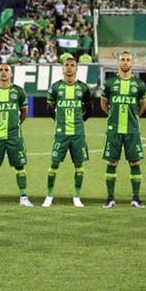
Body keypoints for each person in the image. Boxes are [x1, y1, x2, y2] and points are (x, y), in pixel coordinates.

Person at [42, 56, 92, 208]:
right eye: (67, 65)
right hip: (61, 134)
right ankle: (49, 196)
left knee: (79, 165)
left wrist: (79, 123)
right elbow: (50, 108)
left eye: (72, 65)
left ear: (76, 69)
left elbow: (89, 109)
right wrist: (59, 122)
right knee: (54, 164)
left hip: (78, 134)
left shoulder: (83, 88)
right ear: (62, 69)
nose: (69, 67)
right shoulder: (56, 87)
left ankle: (76, 197)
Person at [0, 63, 33, 207]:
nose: (3, 73)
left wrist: (15, 125)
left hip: (14, 136)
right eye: (1, 70)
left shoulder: (19, 91)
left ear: (11, 74)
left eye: (6, 70)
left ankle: (23, 198)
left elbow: (24, 113)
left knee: (20, 166)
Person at [100, 51, 146, 209]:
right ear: (118, 63)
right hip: (114, 130)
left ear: (132, 63)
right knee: (112, 162)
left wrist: (132, 118)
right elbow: (104, 104)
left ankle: (136, 198)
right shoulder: (110, 83)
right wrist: (112, 116)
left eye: (128, 60)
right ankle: (110, 198)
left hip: (132, 130)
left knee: (134, 162)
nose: (125, 62)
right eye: (122, 60)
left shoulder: (139, 84)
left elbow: (142, 106)